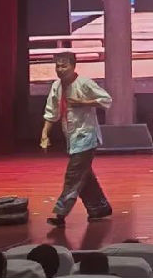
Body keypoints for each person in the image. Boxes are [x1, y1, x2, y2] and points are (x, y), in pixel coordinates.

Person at [41, 52, 113, 227]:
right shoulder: (57, 86)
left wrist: (84, 102)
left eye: (64, 66)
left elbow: (106, 100)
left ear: (73, 66)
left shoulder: (84, 83)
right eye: (57, 66)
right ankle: (99, 207)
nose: (60, 69)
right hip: (71, 136)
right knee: (84, 175)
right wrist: (44, 134)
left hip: (86, 135)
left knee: (74, 175)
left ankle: (60, 214)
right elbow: (51, 112)